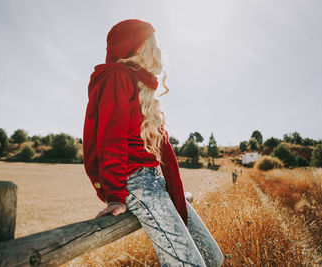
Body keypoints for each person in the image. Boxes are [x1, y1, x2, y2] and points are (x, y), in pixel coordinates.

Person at [83, 19, 224, 267]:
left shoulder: (141, 82)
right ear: (136, 46)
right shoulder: (116, 76)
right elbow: (110, 138)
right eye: (153, 42)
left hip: (154, 180)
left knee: (212, 257)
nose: (159, 49)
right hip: (134, 182)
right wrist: (115, 195)